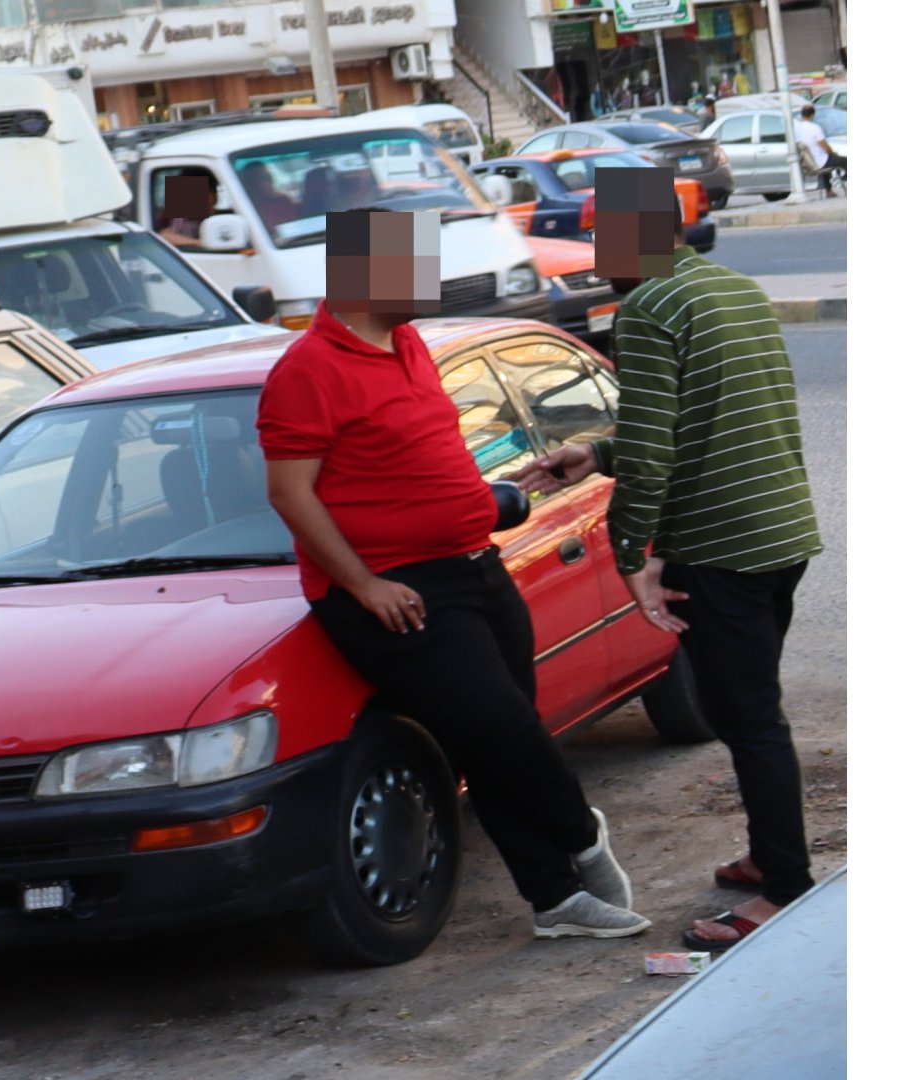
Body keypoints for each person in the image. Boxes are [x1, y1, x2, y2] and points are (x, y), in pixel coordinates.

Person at [257, 208, 650, 941]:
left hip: (477, 567)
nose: (429, 281)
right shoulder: (307, 371)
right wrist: (364, 584)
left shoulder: (405, 342)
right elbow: (289, 493)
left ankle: (556, 903)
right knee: (502, 730)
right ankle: (580, 834)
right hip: (404, 593)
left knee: (498, 743)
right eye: (412, 267)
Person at [510, 197, 823, 952]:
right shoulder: (732, 288)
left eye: (601, 238)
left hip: (718, 546)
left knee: (749, 721)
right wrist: (597, 452)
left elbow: (654, 450)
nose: (594, 256)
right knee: (745, 709)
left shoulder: (647, 308)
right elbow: (694, 419)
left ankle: (785, 887)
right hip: (781, 533)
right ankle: (767, 856)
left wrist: (632, 561)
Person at [796, 104, 845, 197]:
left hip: (807, 162)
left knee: (828, 160)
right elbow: (825, 146)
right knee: (843, 160)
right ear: (812, 115)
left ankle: (828, 191)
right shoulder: (814, 127)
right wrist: (832, 153)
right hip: (819, 161)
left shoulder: (796, 128)